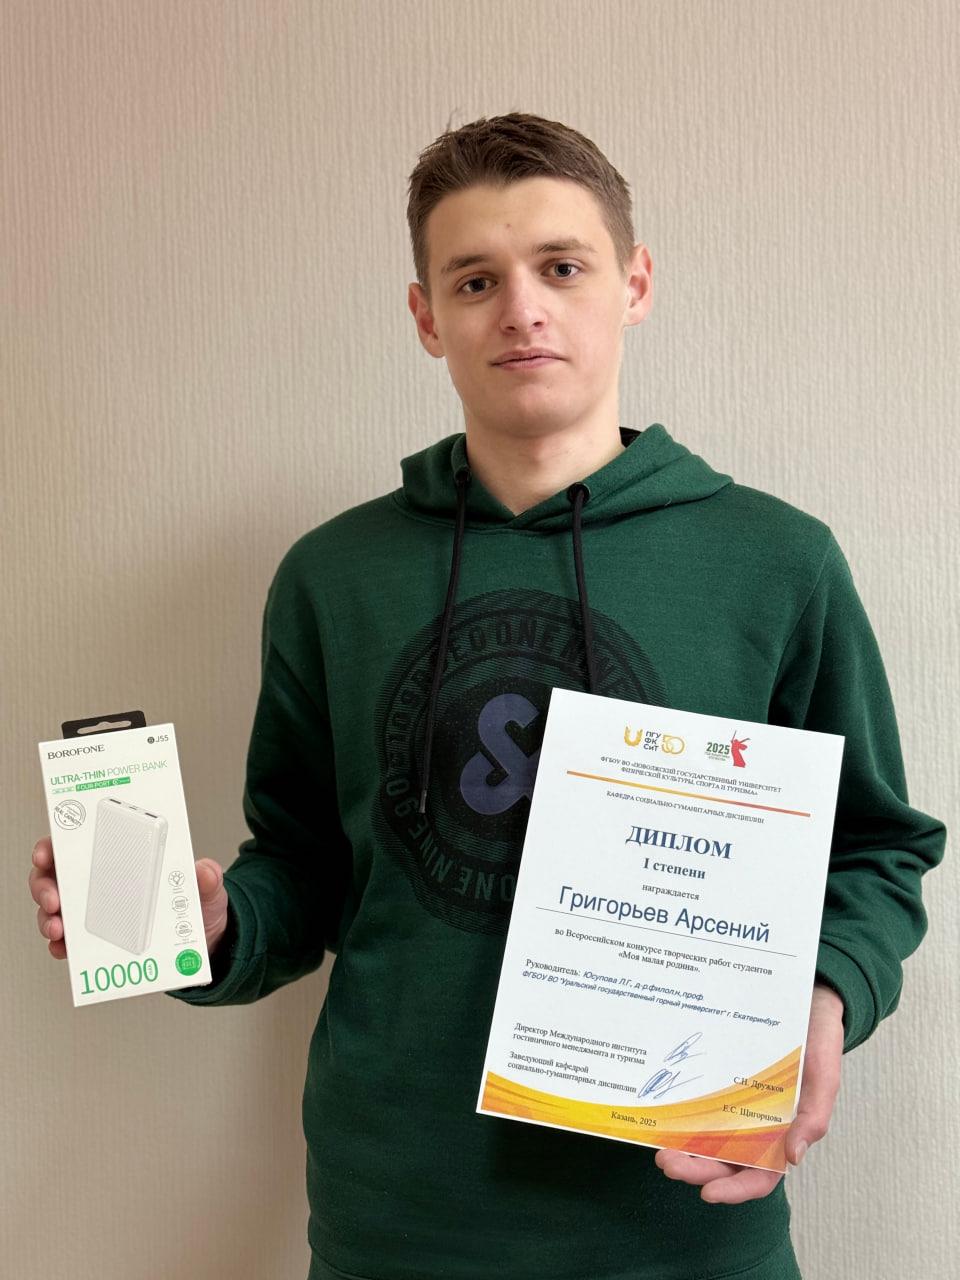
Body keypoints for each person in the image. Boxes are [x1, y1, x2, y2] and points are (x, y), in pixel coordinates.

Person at [30, 112, 946, 1280]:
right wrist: (206, 929)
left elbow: (876, 845)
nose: (522, 309)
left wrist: (829, 993)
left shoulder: (777, 563)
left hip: (684, 1222)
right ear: (426, 316)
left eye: (562, 266)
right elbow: (302, 868)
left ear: (634, 284)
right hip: (397, 1223)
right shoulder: (333, 576)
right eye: (476, 280)